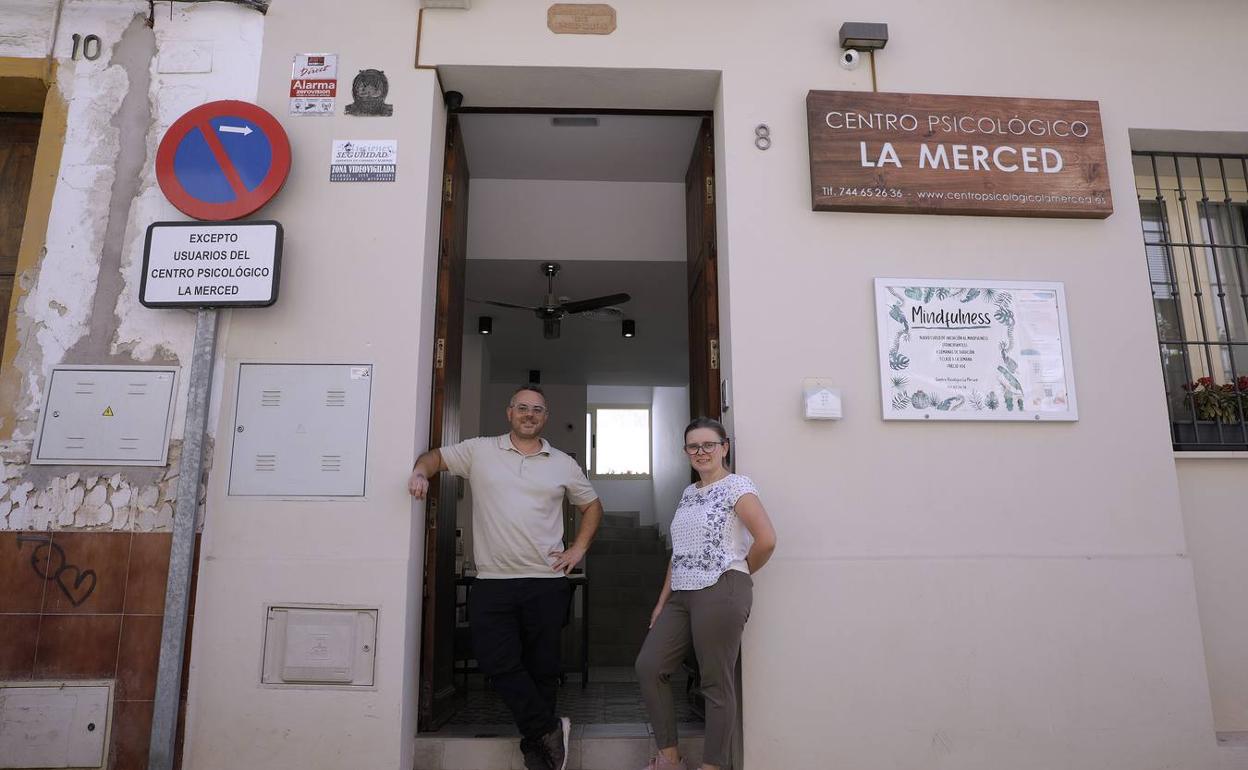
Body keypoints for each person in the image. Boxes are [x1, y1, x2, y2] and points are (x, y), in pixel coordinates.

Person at [409, 384, 603, 770]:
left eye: (537, 409)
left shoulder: (563, 462)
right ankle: (549, 729)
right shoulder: (479, 451)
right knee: (496, 661)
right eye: (522, 408)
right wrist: (419, 473)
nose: (530, 414)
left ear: (545, 418)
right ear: (509, 412)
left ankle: (540, 754)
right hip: (492, 582)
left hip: (546, 582)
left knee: (543, 669)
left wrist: (578, 549)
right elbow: (434, 458)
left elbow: (592, 506)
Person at [635, 417, 777, 770]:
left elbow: (767, 540)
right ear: (686, 453)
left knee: (715, 681)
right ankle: (669, 759)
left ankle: (712, 766)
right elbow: (679, 552)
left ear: (724, 447)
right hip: (682, 593)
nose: (701, 452)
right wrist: (661, 602)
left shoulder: (737, 487)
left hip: (722, 588)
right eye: (693, 446)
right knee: (649, 666)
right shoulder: (688, 493)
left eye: (708, 444)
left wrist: (735, 573)